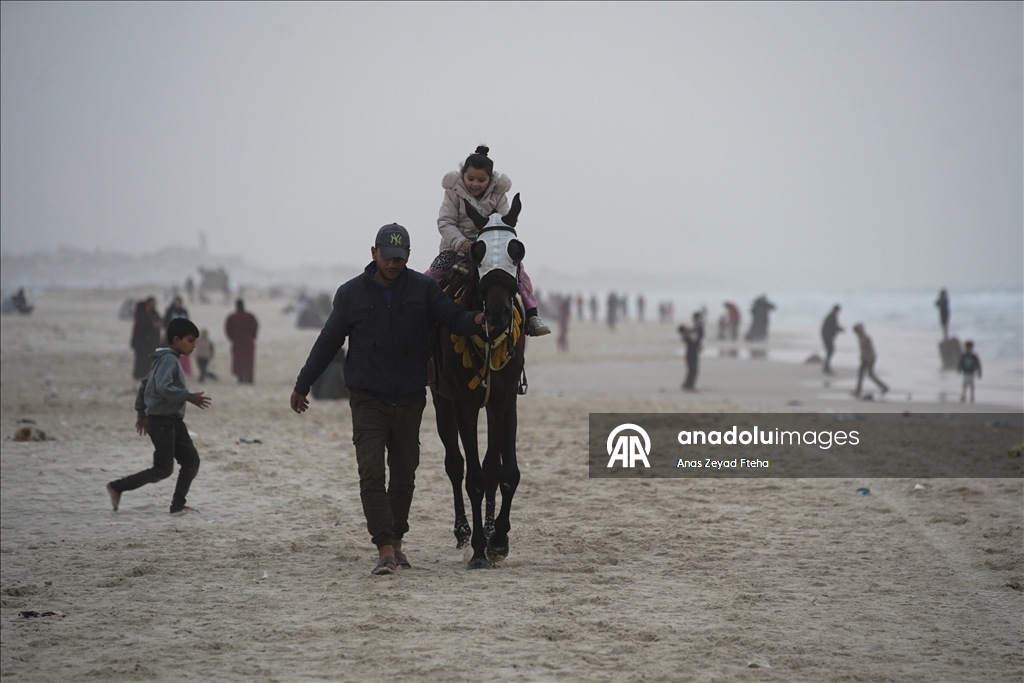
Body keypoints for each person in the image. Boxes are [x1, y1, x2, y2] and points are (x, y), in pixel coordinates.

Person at [290, 224, 487, 576]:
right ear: (373, 253)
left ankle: (396, 542)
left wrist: (476, 319)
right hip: (368, 397)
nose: (394, 264)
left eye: (400, 258)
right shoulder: (351, 294)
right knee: (370, 472)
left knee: (403, 475)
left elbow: (452, 318)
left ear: (408, 256)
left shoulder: (424, 289)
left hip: (410, 396)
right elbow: (328, 341)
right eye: (388, 257)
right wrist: (303, 384)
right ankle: (384, 548)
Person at [426, 145, 550, 336]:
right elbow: (445, 222)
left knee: (520, 273)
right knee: (431, 276)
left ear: (490, 179)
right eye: (470, 179)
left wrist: (494, 246)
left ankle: (532, 315)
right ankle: (420, 312)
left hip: (491, 250)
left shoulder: (498, 194)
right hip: (456, 248)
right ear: (463, 175)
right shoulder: (453, 191)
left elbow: (504, 224)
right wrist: (461, 242)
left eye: (481, 180)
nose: (475, 184)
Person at [106, 318, 211, 514]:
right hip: (163, 421)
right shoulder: (169, 359)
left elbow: (145, 384)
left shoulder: (164, 359)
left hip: (171, 420)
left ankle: (178, 506)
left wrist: (140, 412)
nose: (194, 346)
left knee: (191, 461)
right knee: (163, 469)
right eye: (190, 341)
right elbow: (162, 387)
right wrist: (189, 397)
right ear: (176, 339)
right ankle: (117, 486)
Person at [225, 299, 258, 383]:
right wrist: (252, 336)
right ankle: (249, 378)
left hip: (237, 343)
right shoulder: (250, 316)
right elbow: (255, 327)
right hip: (248, 343)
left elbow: (228, 330)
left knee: (239, 361)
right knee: (248, 361)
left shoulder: (232, 317)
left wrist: (233, 338)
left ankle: (240, 379)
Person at [852, 323, 889, 398]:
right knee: (864, 374)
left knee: (869, 374)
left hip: (869, 358)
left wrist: (867, 359)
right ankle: (858, 390)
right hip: (866, 358)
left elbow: (869, 350)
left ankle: (884, 387)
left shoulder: (866, 338)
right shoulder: (861, 338)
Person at [131, 298, 163, 379]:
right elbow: (143, 329)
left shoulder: (152, 314)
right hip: (143, 342)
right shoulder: (143, 316)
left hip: (150, 342)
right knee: (142, 359)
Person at [163, 297, 191, 376]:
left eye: (179, 303)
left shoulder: (184, 311)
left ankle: (183, 370)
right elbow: (166, 322)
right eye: (176, 303)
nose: (178, 304)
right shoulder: (169, 311)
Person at [678, 311, 705, 391]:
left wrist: (699, 344)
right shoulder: (688, 335)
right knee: (693, 370)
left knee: (692, 370)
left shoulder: (690, 333)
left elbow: (696, 336)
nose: (687, 327)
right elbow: (695, 337)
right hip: (691, 354)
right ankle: (689, 385)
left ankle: (687, 384)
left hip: (691, 353)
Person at [821, 305, 844, 375]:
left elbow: (833, 326)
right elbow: (832, 327)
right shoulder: (832, 317)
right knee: (830, 351)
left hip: (827, 336)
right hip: (827, 336)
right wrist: (839, 329)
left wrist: (838, 329)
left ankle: (826, 366)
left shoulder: (832, 316)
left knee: (830, 351)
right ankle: (826, 367)